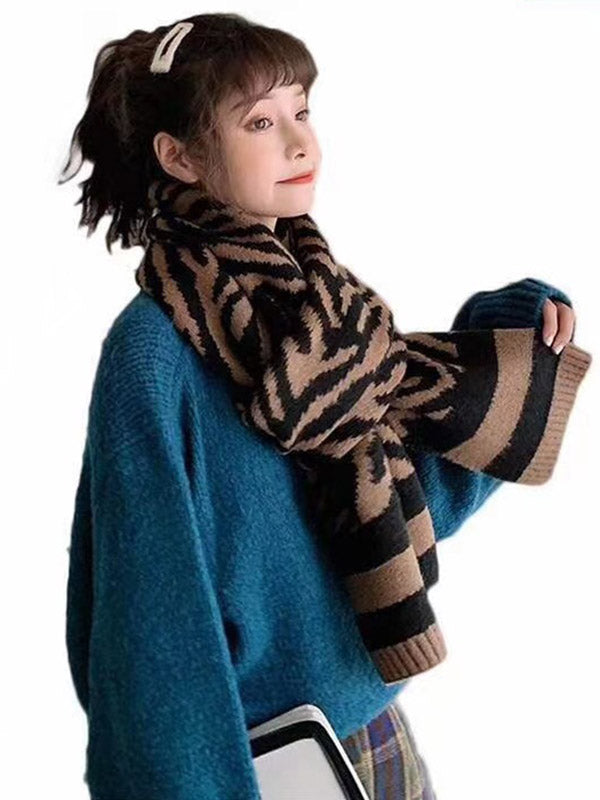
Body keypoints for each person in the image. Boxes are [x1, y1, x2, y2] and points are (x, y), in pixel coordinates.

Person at [59, 13, 579, 800]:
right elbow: (148, 630)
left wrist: (505, 342)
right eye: (260, 122)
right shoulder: (152, 358)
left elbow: (413, 496)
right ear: (180, 156)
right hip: (247, 768)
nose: (301, 142)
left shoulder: (325, 308)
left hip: (375, 736)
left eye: (302, 110)